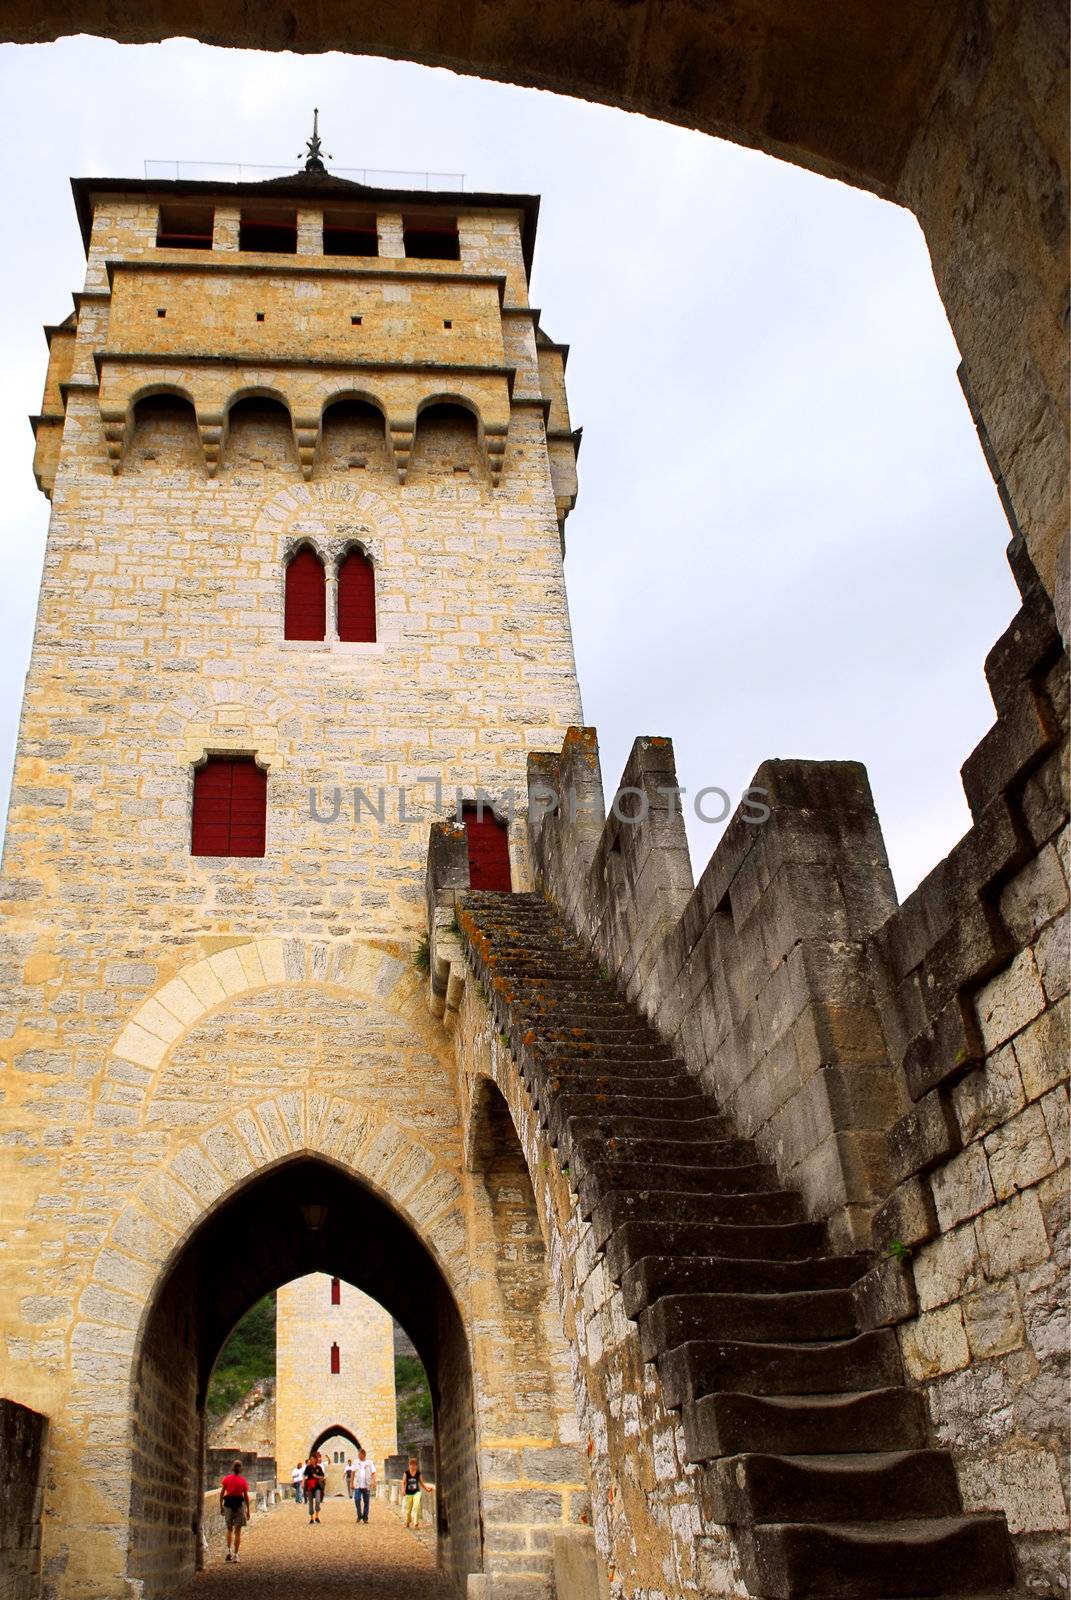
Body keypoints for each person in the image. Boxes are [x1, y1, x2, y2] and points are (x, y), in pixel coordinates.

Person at [220, 1459, 251, 1564]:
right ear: (241, 1469)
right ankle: (236, 1555)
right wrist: (248, 1510)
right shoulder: (243, 1481)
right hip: (238, 1505)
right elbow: (246, 1497)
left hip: (228, 1504)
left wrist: (221, 1506)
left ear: (232, 1468)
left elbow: (222, 1493)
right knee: (237, 1531)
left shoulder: (227, 1479)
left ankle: (228, 1550)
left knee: (229, 1529)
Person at [402, 1456, 431, 1529]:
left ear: (416, 1465)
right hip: (408, 1493)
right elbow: (403, 1482)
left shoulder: (418, 1473)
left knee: (416, 1506)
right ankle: (407, 1522)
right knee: (408, 1509)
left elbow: (421, 1482)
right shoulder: (406, 1473)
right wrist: (403, 1490)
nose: (413, 1466)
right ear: (409, 1465)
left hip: (416, 1492)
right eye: (411, 1465)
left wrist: (426, 1488)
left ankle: (416, 1524)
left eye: (414, 1465)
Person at [352, 1449, 375, 1523]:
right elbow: (353, 1472)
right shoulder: (356, 1462)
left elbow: (373, 1472)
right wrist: (351, 1483)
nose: (358, 1456)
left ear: (363, 1455)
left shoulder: (370, 1463)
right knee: (357, 1499)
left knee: (366, 1502)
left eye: (359, 1454)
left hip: (366, 1485)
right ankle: (359, 1515)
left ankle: (365, 1517)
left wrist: (373, 1481)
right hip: (358, 1485)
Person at [304, 1453, 325, 1524]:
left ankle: (317, 1517)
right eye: (310, 1459)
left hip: (317, 1486)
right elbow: (305, 1475)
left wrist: (317, 1477)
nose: (311, 1460)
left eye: (312, 1459)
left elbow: (322, 1476)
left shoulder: (319, 1467)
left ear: (315, 1459)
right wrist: (302, 1483)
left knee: (318, 1501)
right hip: (310, 1486)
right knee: (310, 1502)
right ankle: (311, 1518)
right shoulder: (308, 1467)